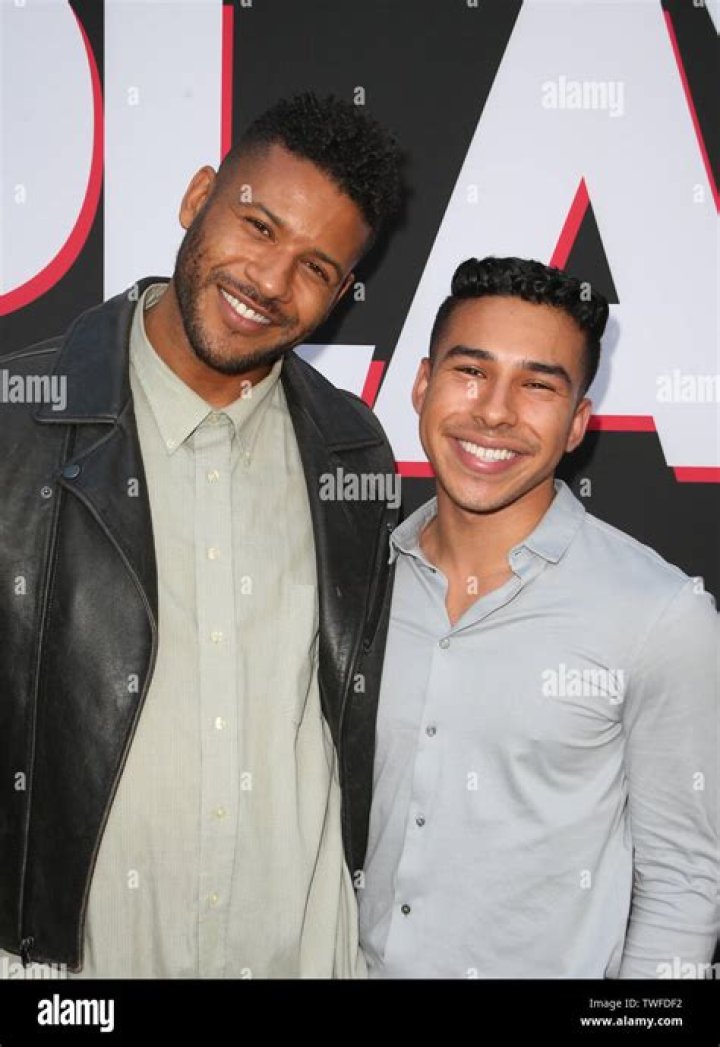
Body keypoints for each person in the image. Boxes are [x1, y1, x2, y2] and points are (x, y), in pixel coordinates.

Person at [0, 92, 404, 979]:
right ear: (198, 197)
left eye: (314, 266)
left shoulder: (353, 450)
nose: (269, 281)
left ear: (341, 293)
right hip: (73, 970)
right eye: (258, 226)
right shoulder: (16, 424)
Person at [359, 256, 718, 979]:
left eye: (537, 385)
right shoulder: (360, 581)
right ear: (422, 385)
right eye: (471, 371)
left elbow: (684, 880)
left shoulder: (659, 614)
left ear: (578, 421)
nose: (495, 411)